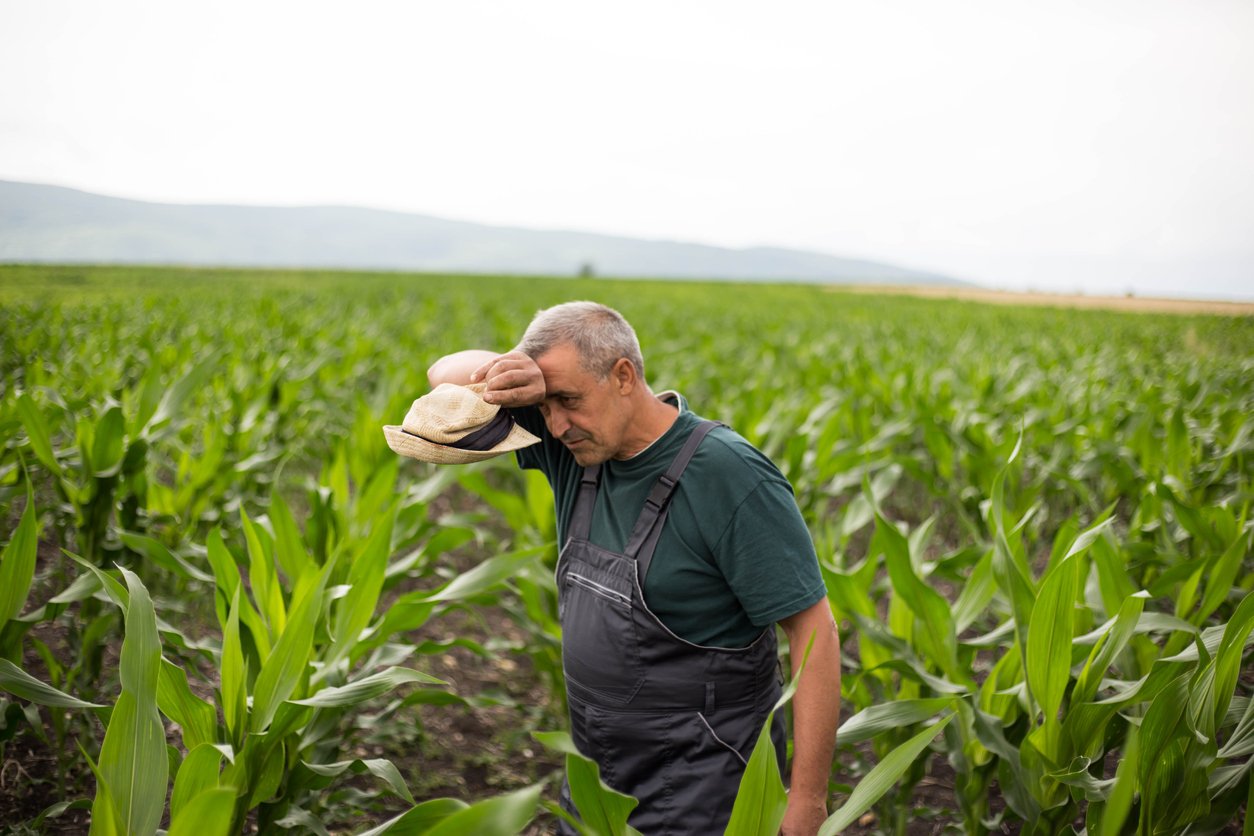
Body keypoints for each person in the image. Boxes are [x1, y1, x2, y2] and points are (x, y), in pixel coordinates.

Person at [426, 301, 841, 836]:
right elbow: (443, 373)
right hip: (596, 774)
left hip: (704, 779)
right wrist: (514, 369)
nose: (554, 424)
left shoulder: (727, 475)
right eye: (545, 405)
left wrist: (807, 801)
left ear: (624, 376)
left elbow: (814, 632)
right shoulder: (574, 445)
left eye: (568, 401)